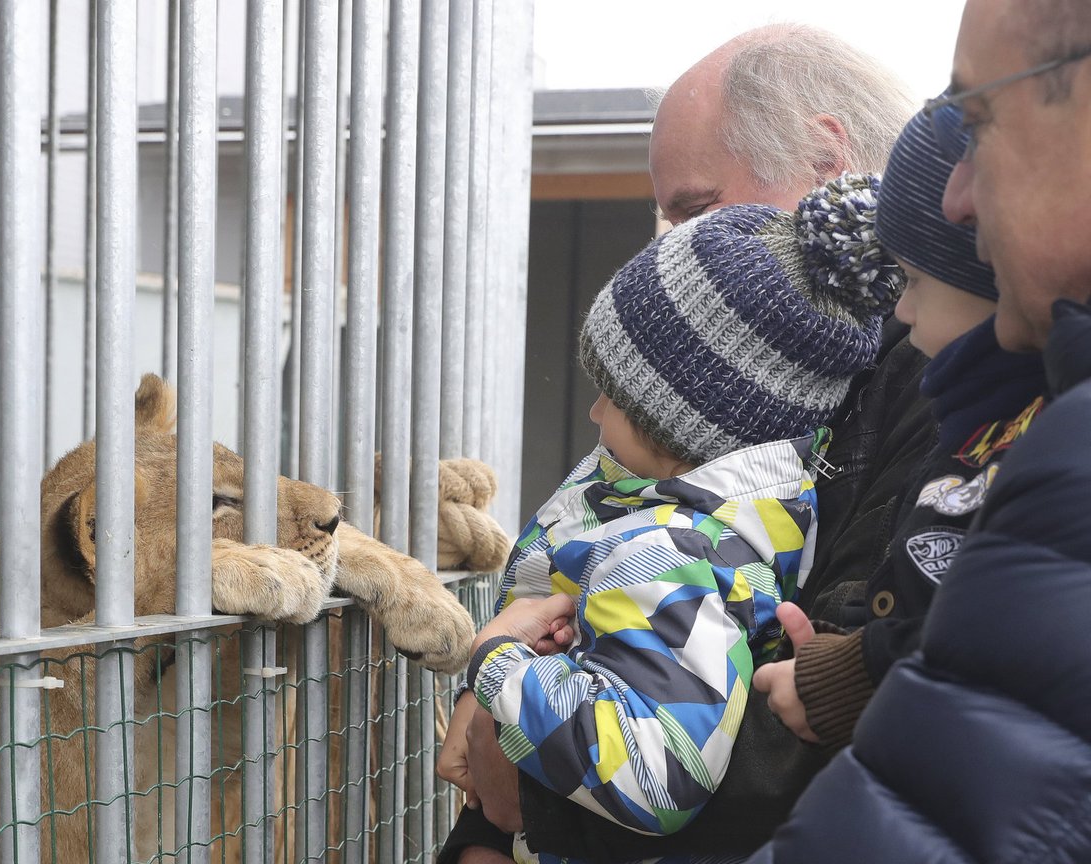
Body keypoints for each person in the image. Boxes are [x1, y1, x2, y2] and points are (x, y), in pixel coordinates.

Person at [438, 175, 906, 864]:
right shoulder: (732, 517)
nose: (595, 415)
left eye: (615, 400)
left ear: (683, 428)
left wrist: (497, 662)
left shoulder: (661, 554)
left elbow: (657, 777)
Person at [748, 0, 1091, 860]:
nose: (960, 199)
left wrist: (848, 669)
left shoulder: (1023, 444)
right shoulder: (1011, 426)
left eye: (978, 122)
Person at [751, 105, 1048, 749]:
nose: (902, 309)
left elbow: (1000, 625)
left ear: (986, 276)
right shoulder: (978, 418)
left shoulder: (1025, 439)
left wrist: (853, 673)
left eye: (913, 280)